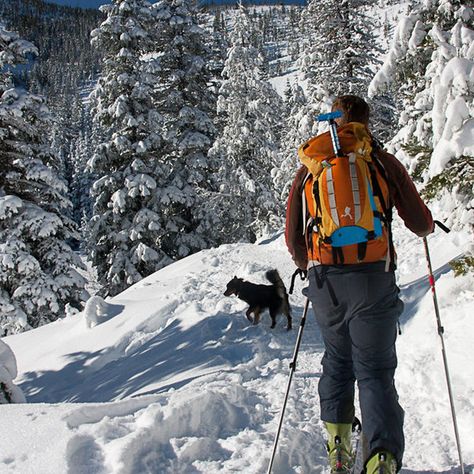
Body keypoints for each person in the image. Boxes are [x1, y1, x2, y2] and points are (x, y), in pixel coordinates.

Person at [285, 95, 434, 474]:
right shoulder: (379, 161)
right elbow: (419, 222)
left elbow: (293, 235)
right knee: (375, 369)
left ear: (334, 122)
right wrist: (426, 226)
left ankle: (338, 446)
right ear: (366, 124)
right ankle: (381, 457)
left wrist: (311, 265)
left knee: (337, 361)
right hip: (372, 278)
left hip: (325, 283)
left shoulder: (313, 165)